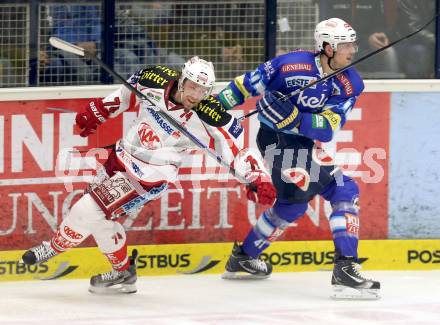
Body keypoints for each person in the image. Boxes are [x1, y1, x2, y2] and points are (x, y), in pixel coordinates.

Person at [21, 57, 276, 294]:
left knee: (85, 210)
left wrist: (258, 177)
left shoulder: (210, 113)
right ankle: (123, 273)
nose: (196, 95)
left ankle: (51, 248)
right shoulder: (153, 79)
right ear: (182, 79)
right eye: (193, 87)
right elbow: (125, 95)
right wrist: (98, 111)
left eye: (203, 90)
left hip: (150, 175)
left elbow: (238, 149)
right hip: (120, 156)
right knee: (98, 217)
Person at [216, 18, 380, 299]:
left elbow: (329, 127)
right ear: (327, 47)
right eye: (345, 45)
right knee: (344, 188)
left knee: (292, 206)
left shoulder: (351, 83)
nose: (352, 50)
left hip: (303, 142)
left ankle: (244, 257)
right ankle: (345, 267)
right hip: (276, 141)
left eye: (353, 43)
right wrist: (214, 110)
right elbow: (246, 85)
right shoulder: (291, 65)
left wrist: (296, 118)